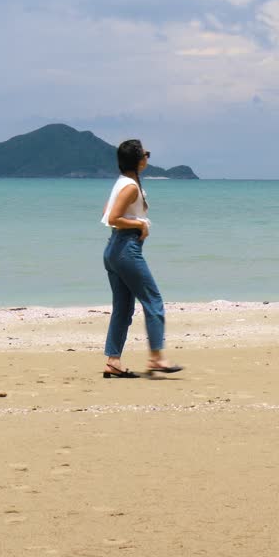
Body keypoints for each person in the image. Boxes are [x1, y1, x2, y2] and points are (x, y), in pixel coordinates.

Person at [99, 140, 182, 379]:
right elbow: (113, 217)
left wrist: (135, 223)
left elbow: (107, 212)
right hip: (126, 248)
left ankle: (113, 361)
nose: (148, 156)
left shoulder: (123, 183)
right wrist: (138, 224)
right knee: (153, 300)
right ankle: (157, 357)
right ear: (137, 160)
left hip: (114, 249)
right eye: (145, 153)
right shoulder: (130, 187)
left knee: (123, 309)